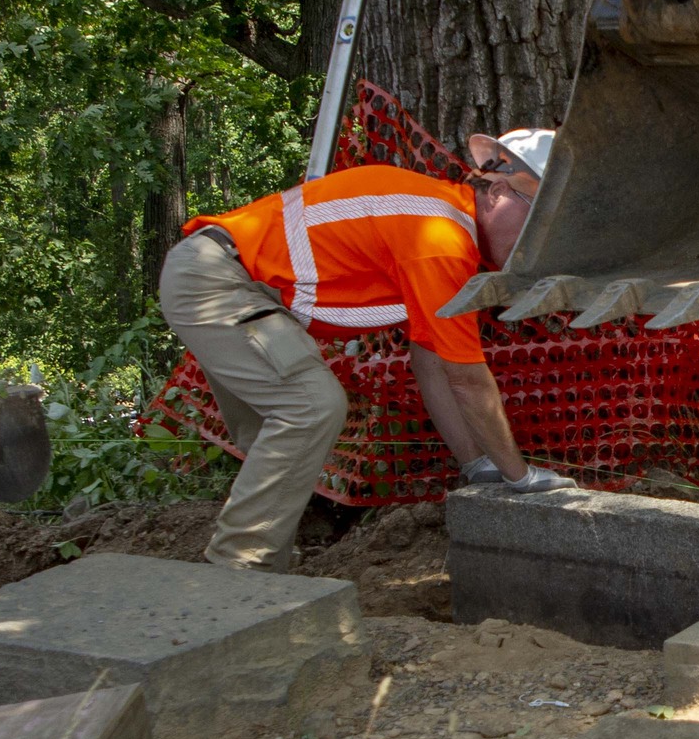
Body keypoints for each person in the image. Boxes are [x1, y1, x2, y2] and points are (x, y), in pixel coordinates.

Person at [161, 129, 574, 572]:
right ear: (497, 190)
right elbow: (467, 379)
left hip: (221, 277)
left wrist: (478, 465)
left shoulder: (441, 224)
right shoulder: (441, 243)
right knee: (310, 407)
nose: (536, 245)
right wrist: (520, 476)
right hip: (219, 282)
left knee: (277, 437)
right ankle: (236, 573)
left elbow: (431, 362)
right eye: (535, 222)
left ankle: (265, 573)